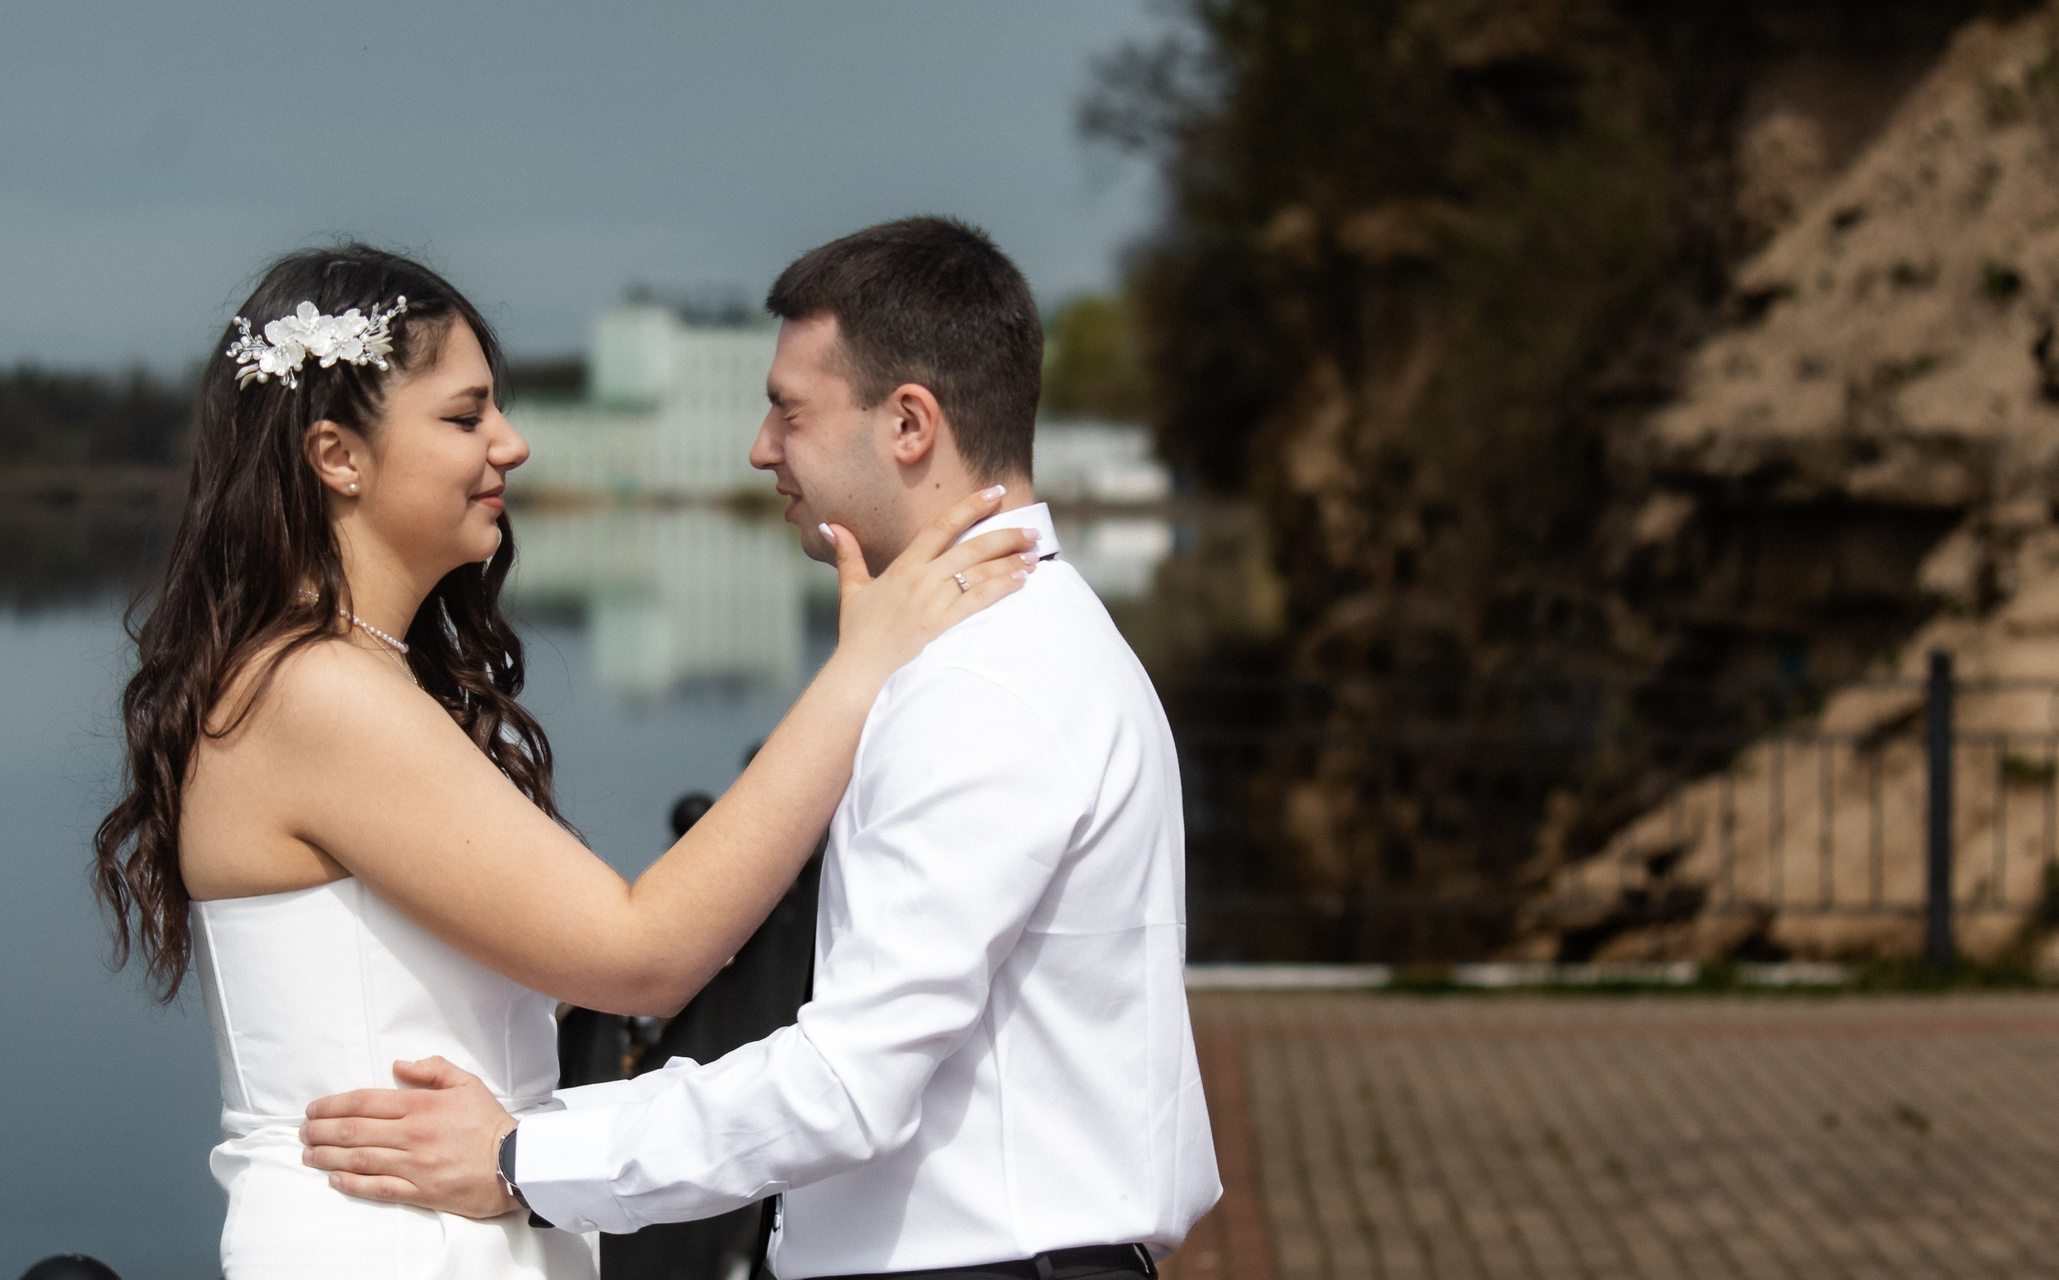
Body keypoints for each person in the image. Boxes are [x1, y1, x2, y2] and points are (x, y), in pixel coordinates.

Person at [91, 243, 1039, 1280]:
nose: (513, 442)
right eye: (465, 418)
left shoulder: (353, 675)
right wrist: (859, 672)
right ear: (337, 455)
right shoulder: (314, 690)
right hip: (385, 1240)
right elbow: (643, 952)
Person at [301, 218, 1221, 1280]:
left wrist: (520, 1157)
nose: (760, 447)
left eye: (790, 410)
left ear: (908, 424)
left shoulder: (984, 681)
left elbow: (846, 1083)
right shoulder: (1022, 638)